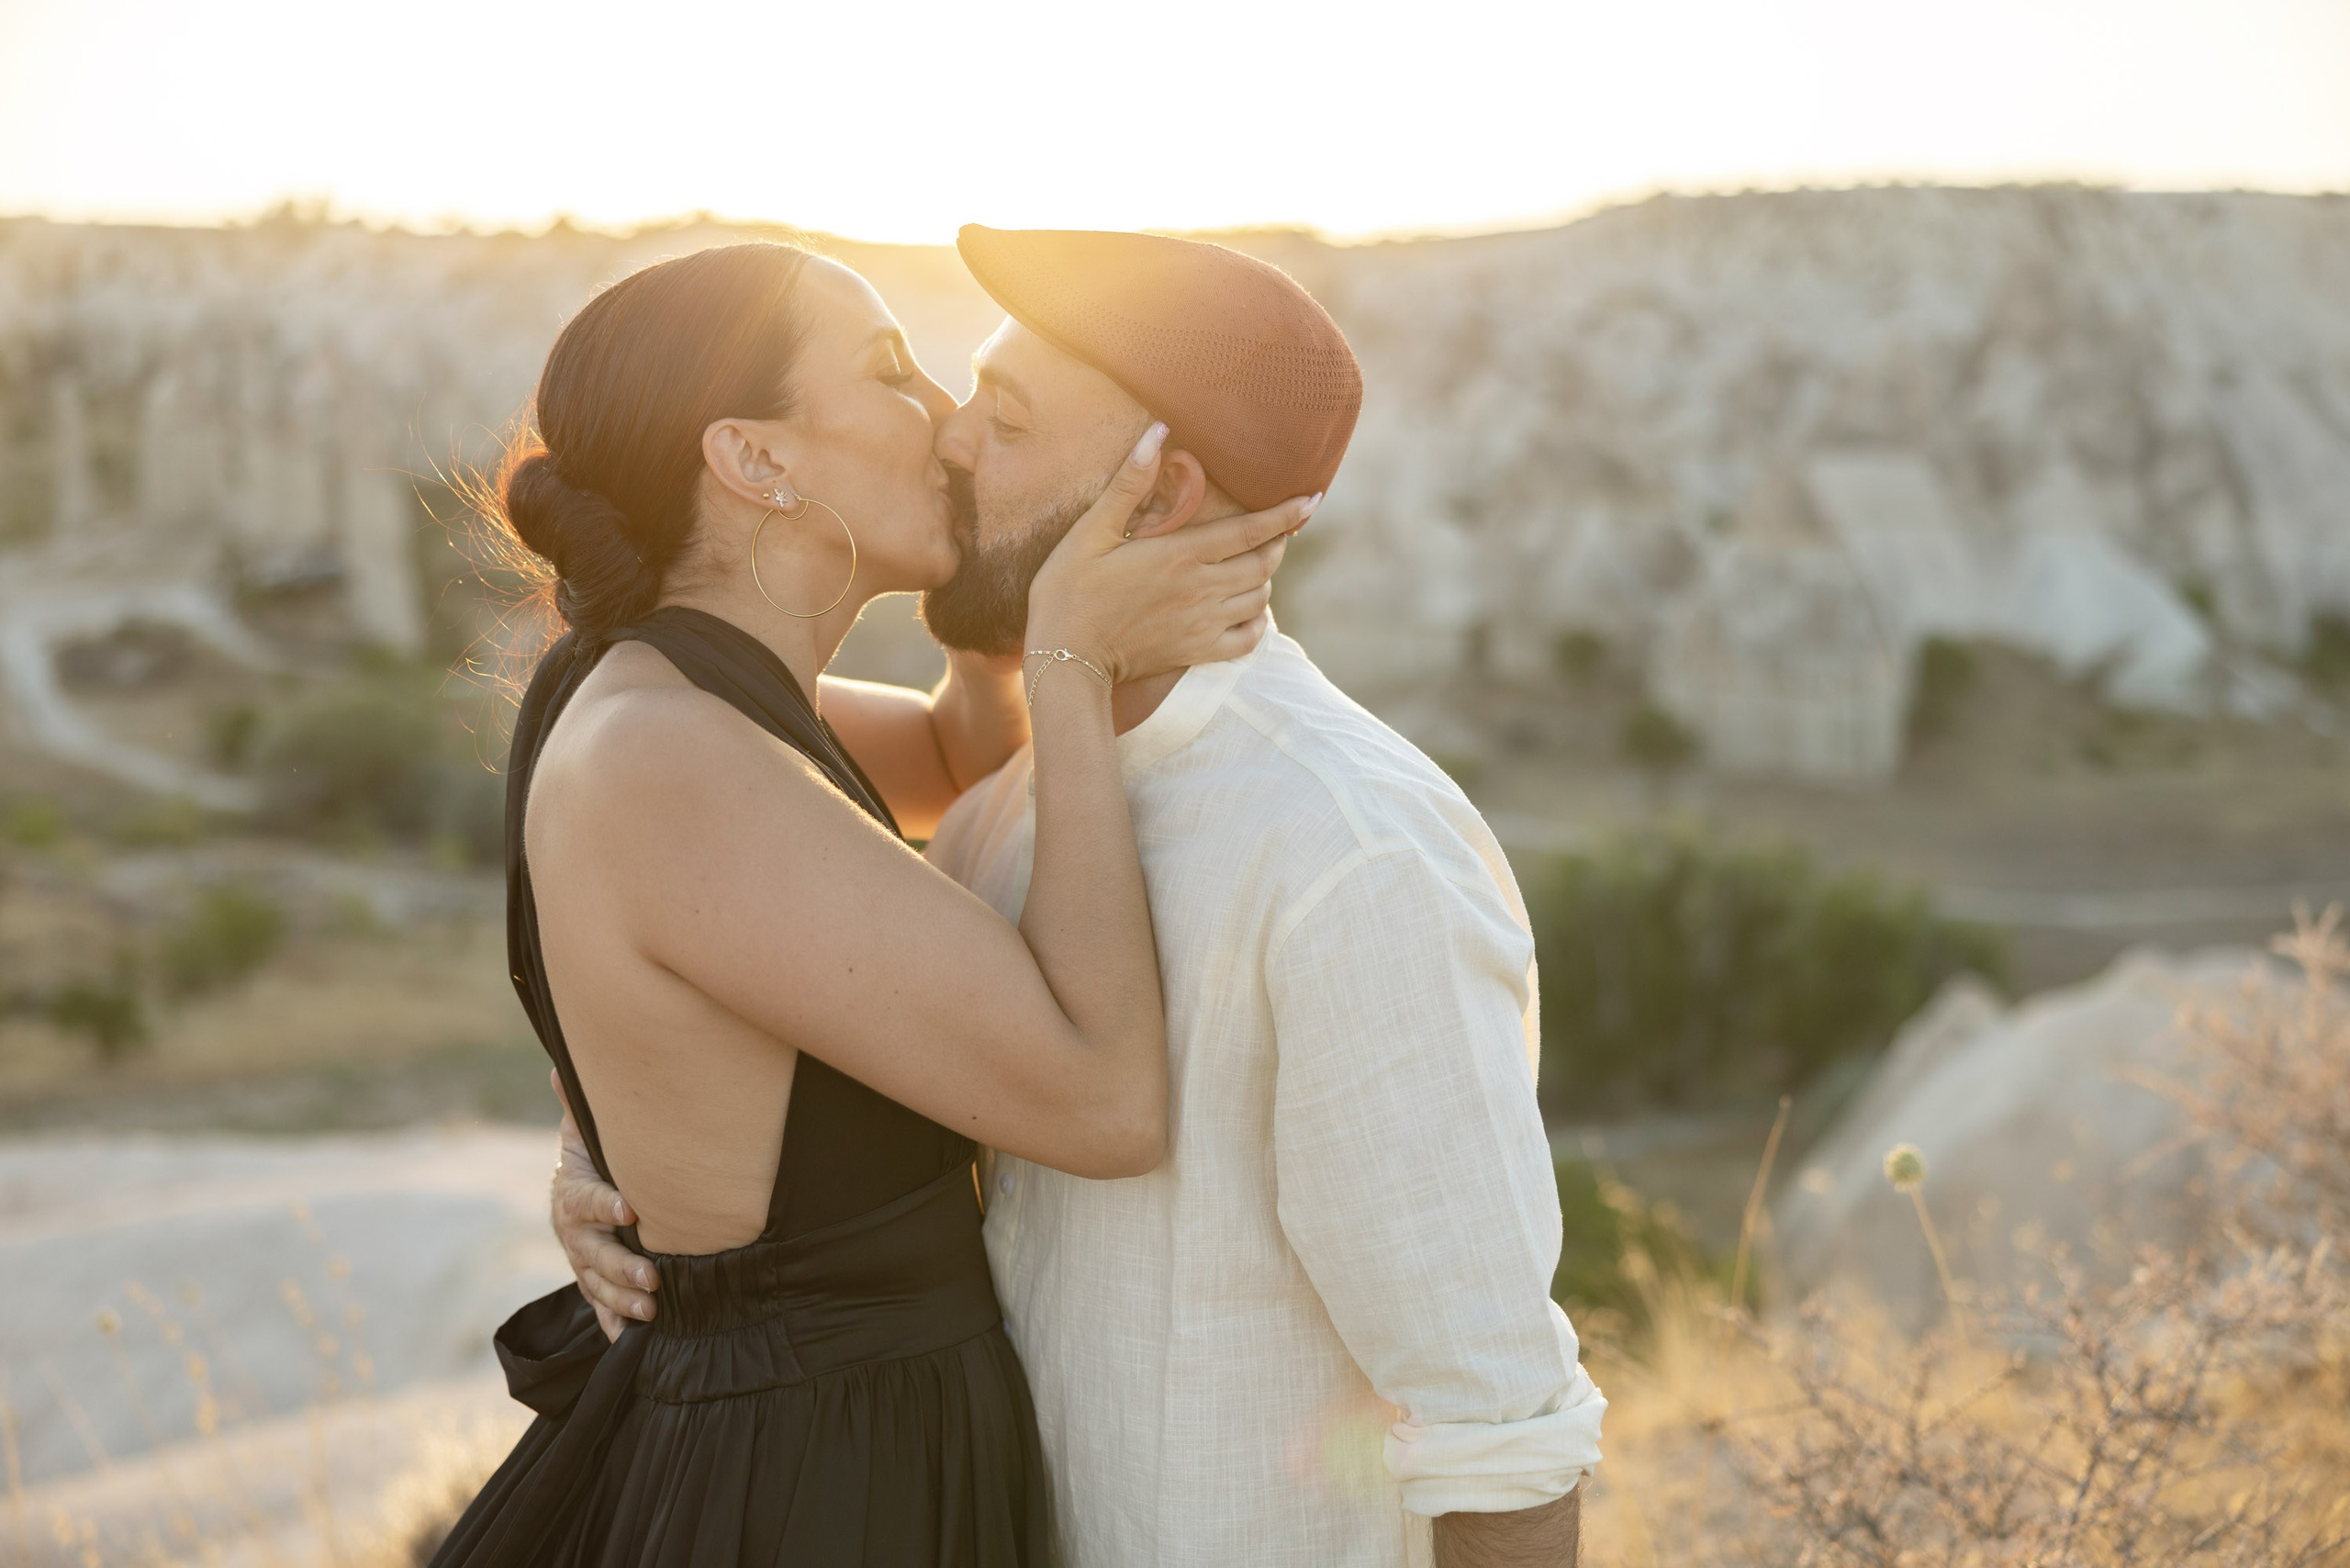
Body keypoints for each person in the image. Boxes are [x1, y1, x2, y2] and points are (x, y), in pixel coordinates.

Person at [557, 229, 1607, 1567]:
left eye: (1002, 419)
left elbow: (1500, 1431)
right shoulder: (1009, 805)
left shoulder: (1351, 858)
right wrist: (625, 1147)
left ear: (1155, 494)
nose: (945, 440)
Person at [431, 240, 1311, 1566]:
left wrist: (1014, 569)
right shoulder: (675, 762)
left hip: (827, 1435)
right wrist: (1074, 656)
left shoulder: (677, 695)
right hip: (814, 1487)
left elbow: (963, 761)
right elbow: (1104, 1099)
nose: (953, 426)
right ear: (754, 459)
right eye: (894, 374)